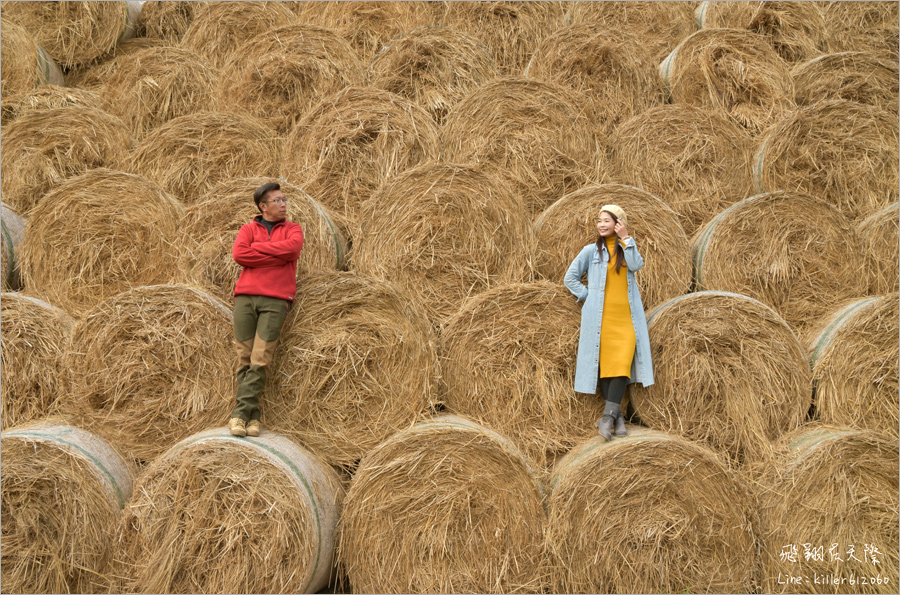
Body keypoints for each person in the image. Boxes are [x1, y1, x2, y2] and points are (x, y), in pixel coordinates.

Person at [564, 204, 653, 441]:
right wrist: (587, 296)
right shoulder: (590, 251)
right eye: (599, 220)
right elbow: (569, 278)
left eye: (607, 220)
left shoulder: (627, 249)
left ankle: (607, 418)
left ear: (619, 223)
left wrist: (626, 238)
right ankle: (616, 418)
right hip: (600, 318)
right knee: (606, 367)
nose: (601, 224)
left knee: (622, 366)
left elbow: (637, 266)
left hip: (626, 318)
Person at [229, 182, 304, 437]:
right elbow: (240, 254)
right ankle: (253, 416)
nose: (283, 204)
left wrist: (257, 249)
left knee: (261, 359)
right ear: (263, 206)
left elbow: (292, 249)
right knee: (244, 357)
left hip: (275, 300)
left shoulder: (293, 229)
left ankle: (239, 414)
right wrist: (276, 257)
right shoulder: (248, 229)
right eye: (277, 200)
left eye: (285, 200)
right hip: (245, 299)